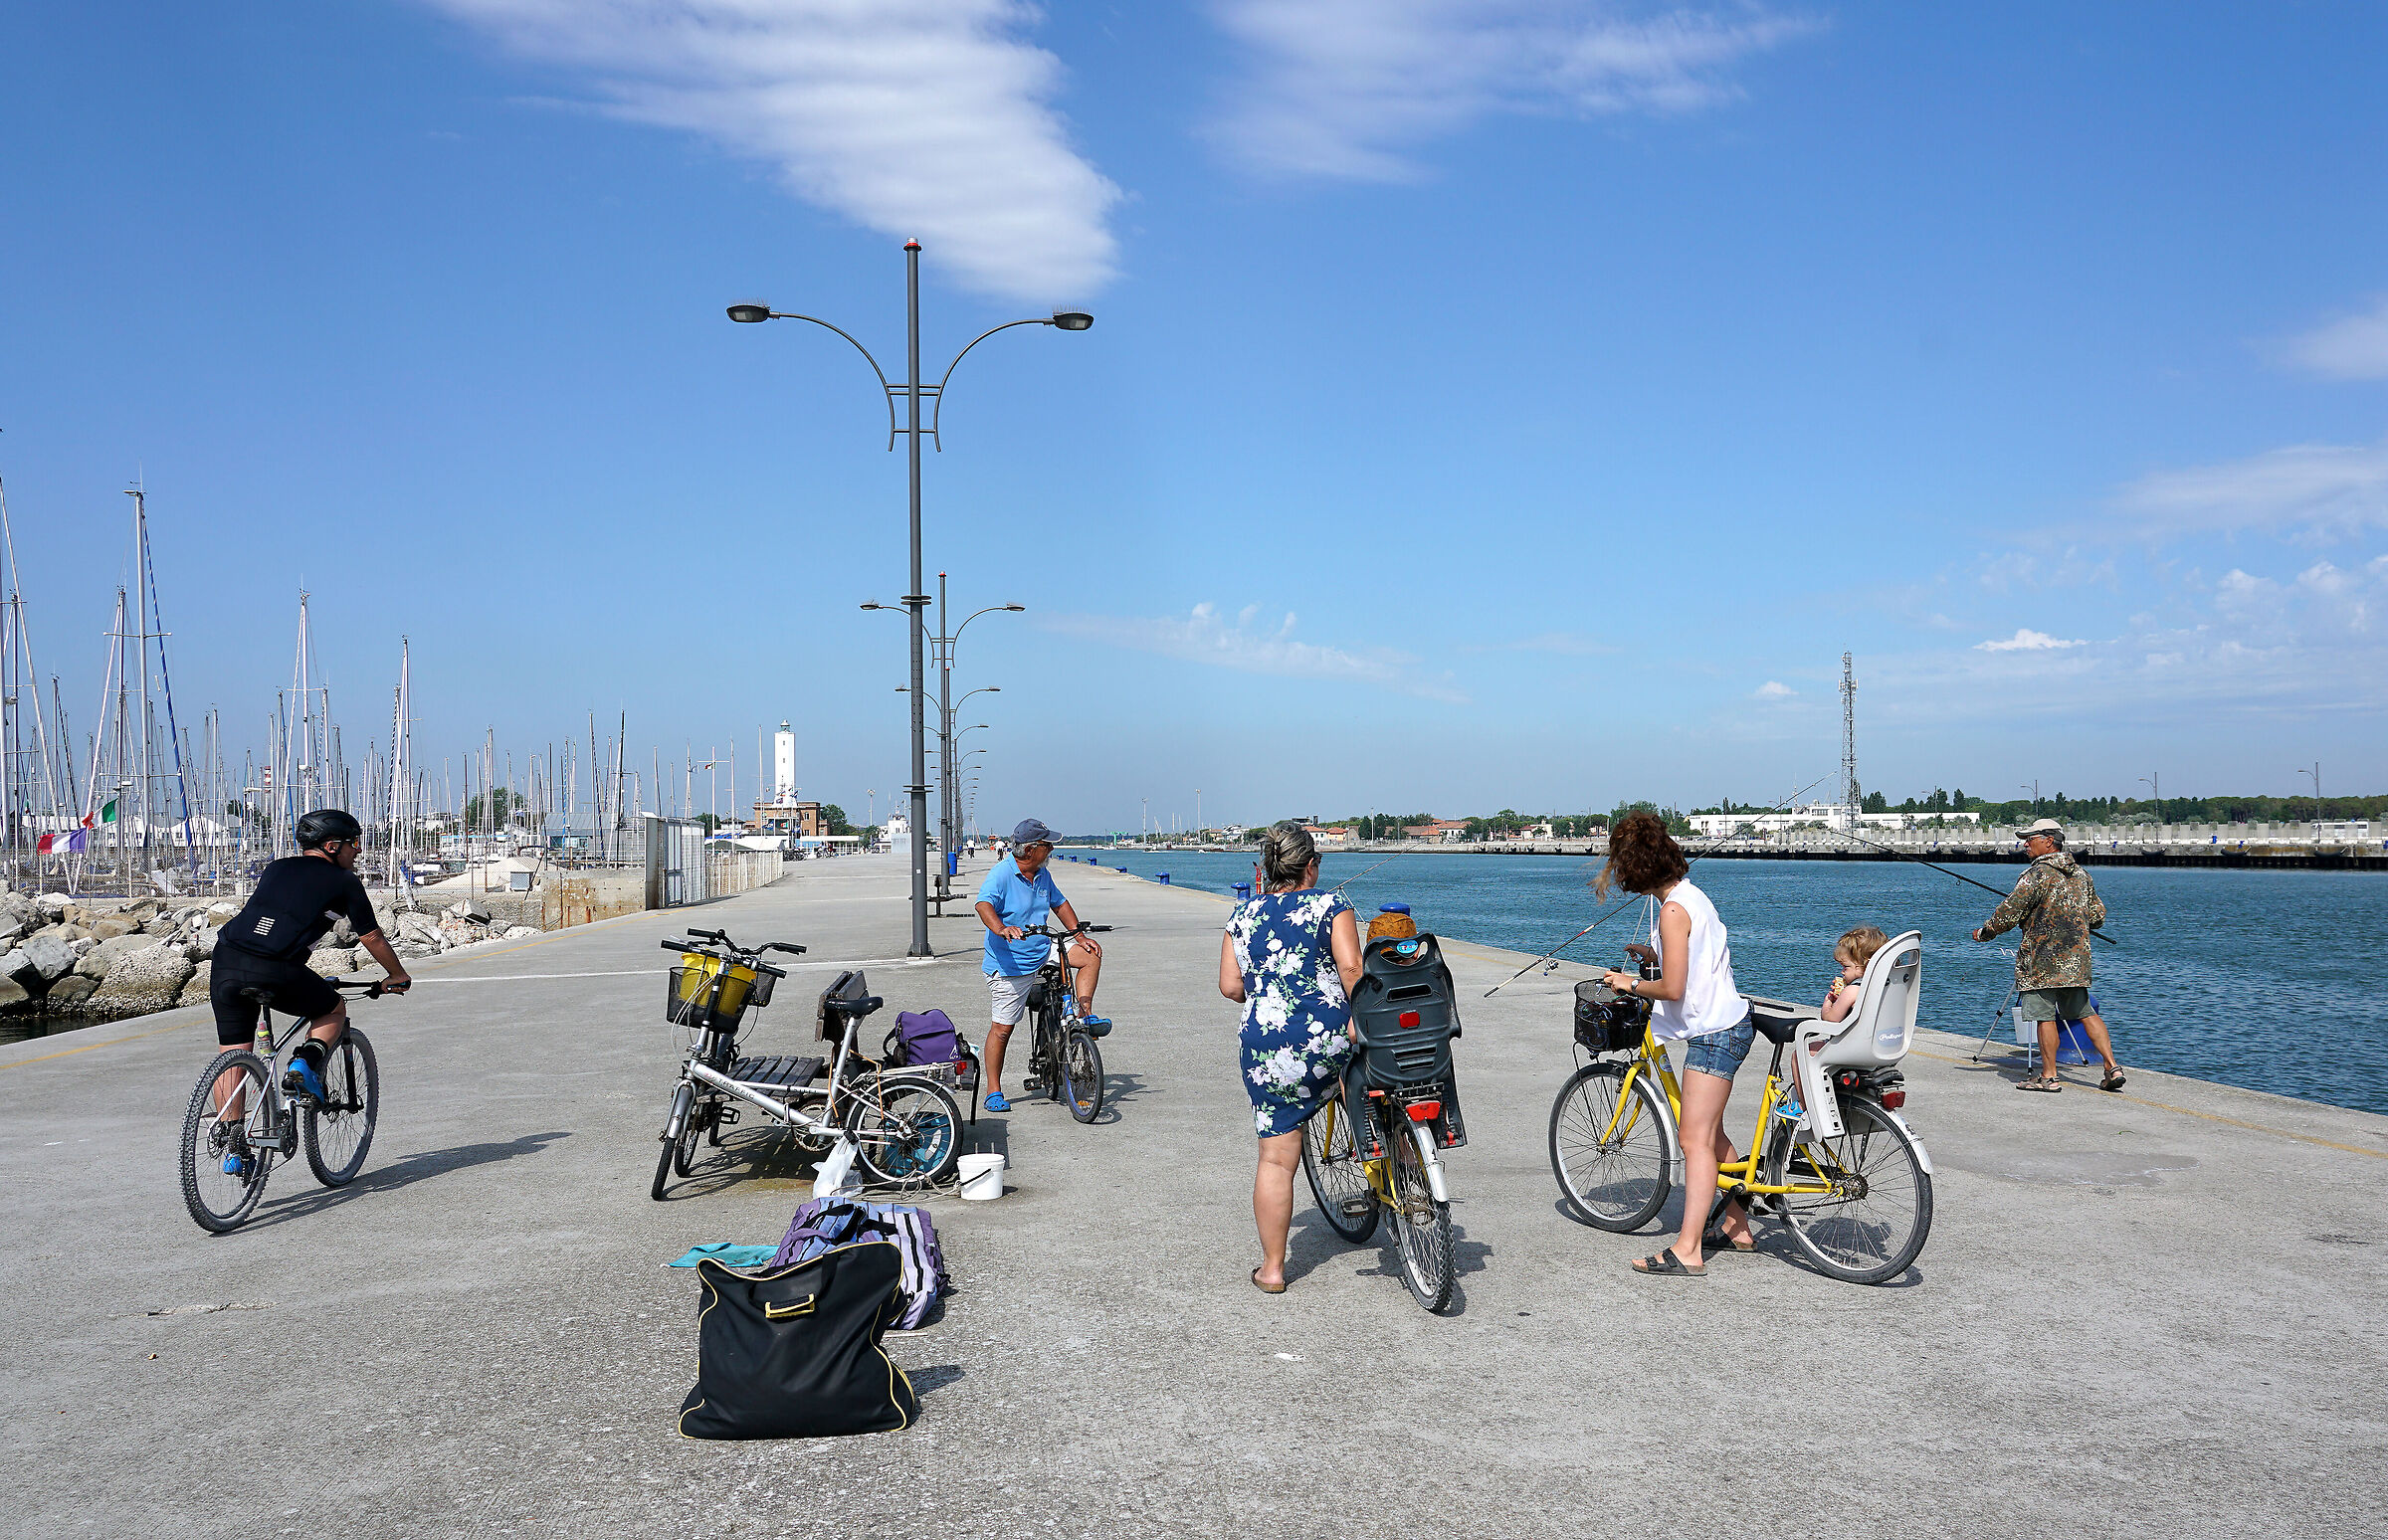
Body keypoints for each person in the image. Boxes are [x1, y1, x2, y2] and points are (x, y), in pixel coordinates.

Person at [208, 809, 410, 1176]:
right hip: (274, 968)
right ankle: (304, 1063)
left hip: (225, 961)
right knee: (332, 1008)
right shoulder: (344, 881)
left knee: (234, 1052)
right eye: (353, 843)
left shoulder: (275, 868)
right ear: (332, 846)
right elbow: (372, 937)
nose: (358, 850)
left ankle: (232, 1143)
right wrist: (396, 974)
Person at [1596, 811, 1754, 1277]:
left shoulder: (1670, 910)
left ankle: (1688, 1249)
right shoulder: (1690, 897)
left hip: (1714, 1034)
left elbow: (1673, 988)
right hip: (1729, 1024)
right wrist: (1654, 956)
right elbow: (1690, 960)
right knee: (1712, 1136)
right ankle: (1738, 1225)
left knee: (1693, 1140)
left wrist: (1628, 982)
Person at [1218, 822, 1363, 1294]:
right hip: (1332, 1039)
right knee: (1374, 1095)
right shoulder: (1332, 905)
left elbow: (1230, 986)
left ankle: (1273, 1270)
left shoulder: (1241, 916)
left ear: (1265, 869)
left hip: (1268, 1049)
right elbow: (1351, 968)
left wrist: (1269, 997)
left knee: (1277, 1160)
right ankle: (1403, 1180)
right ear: (1311, 866)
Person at [1972, 818, 2122, 1092]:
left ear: (2049, 841)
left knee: (2045, 1017)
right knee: (2085, 1013)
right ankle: (2112, 1067)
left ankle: (2049, 1077)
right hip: (2076, 960)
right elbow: (2098, 917)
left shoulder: (2035, 875)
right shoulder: (2082, 875)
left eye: (2030, 839)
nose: (2025, 844)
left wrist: (1985, 933)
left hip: (2040, 961)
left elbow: (2008, 913)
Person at [973, 818, 1105, 1113]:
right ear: (1031, 849)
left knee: (1091, 956)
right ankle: (993, 1090)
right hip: (1010, 962)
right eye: (1047, 845)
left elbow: (1059, 904)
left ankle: (1083, 1014)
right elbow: (983, 905)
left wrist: (1079, 936)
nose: (1051, 850)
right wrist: (1001, 928)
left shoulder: (1042, 873)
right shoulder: (1002, 874)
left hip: (1043, 948)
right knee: (1002, 1029)